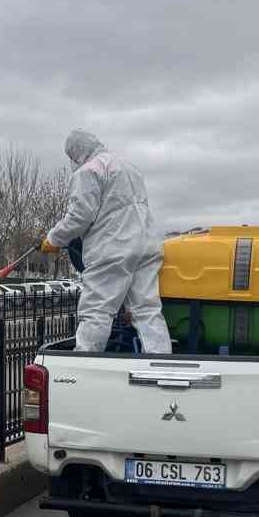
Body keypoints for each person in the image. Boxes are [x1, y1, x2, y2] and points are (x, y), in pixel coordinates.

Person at [41, 129, 172, 355]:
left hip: (113, 249)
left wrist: (54, 239)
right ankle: (161, 364)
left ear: (77, 152)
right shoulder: (130, 169)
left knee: (97, 311)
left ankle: (84, 362)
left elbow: (80, 216)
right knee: (147, 310)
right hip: (146, 247)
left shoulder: (89, 171)